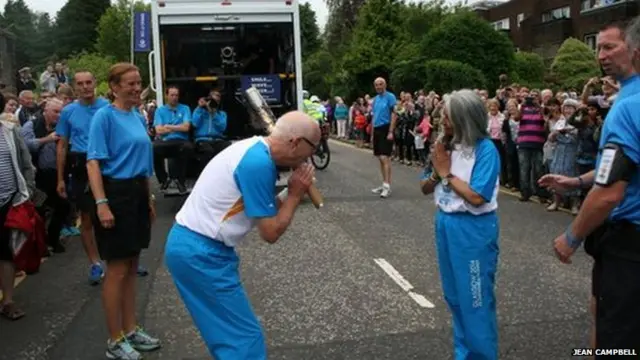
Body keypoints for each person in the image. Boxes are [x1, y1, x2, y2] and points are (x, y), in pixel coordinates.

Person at [164, 111, 320, 359]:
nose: (311, 157)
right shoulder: (258, 164)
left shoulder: (253, 148)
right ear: (295, 143)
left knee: (230, 339)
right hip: (201, 255)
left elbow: (257, 206)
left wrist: (290, 193)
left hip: (196, 248)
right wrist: (293, 196)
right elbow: (270, 232)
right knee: (244, 342)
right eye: (313, 148)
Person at [539, 18, 640, 355]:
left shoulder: (627, 107)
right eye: (598, 48)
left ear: (635, 49)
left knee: (617, 337)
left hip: (629, 240)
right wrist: (578, 180)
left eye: (610, 46)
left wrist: (571, 237)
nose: (601, 55)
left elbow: (611, 190)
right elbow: (622, 168)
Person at [86, 63, 161, 360]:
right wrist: (102, 203)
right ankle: (114, 339)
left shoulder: (136, 115)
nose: (135, 87)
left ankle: (130, 330)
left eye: (138, 82)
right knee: (116, 270)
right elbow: (93, 163)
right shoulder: (104, 116)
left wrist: (149, 199)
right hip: (115, 194)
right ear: (114, 86)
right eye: (129, 83)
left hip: (136, 194)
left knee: (131, 266)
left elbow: (142, 164)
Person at [419, 89, 501, 360]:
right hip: (446, 222)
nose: (442, 119)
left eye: (448, 116)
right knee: (454, 297)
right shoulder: (445, 145)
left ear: (465, 118)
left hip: (473, 230)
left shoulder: (485, 150)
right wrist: (436, 171)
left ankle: (482, 355)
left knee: (474, 300)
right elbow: (424, 187)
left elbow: (477, 197)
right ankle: (463, 354)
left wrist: (446, 173)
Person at [56, 70, 109, 285]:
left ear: (95, 83)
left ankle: (119, 259)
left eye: (89, 82)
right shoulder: (68, 112)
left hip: (106, 164)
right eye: (81, 83)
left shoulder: (107, 107)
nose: (85, 86)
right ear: (75, 87)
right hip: (80, 164)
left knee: (111, 213)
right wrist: (60, 178)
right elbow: (61, 146)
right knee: (86, 217)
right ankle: (95, 263)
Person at [0, 116, 35, 321]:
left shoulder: (10, 131)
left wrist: (27, 192)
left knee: (6, 251)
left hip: (9, 201)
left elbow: (26, 163)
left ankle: (8, 301)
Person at [370, 77, 397, 198]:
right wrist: (372, 133)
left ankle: (387, 186)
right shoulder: (375, 99)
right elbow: (374, 116)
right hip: (377, 129)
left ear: (385, 85)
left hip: (386, 128)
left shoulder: (390, 97)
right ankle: (384, 183)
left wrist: (391, 131)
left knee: (384, 157)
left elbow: (394, 114)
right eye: (376, 85)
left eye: (380, 84)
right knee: (379, 158)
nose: (378, 86)